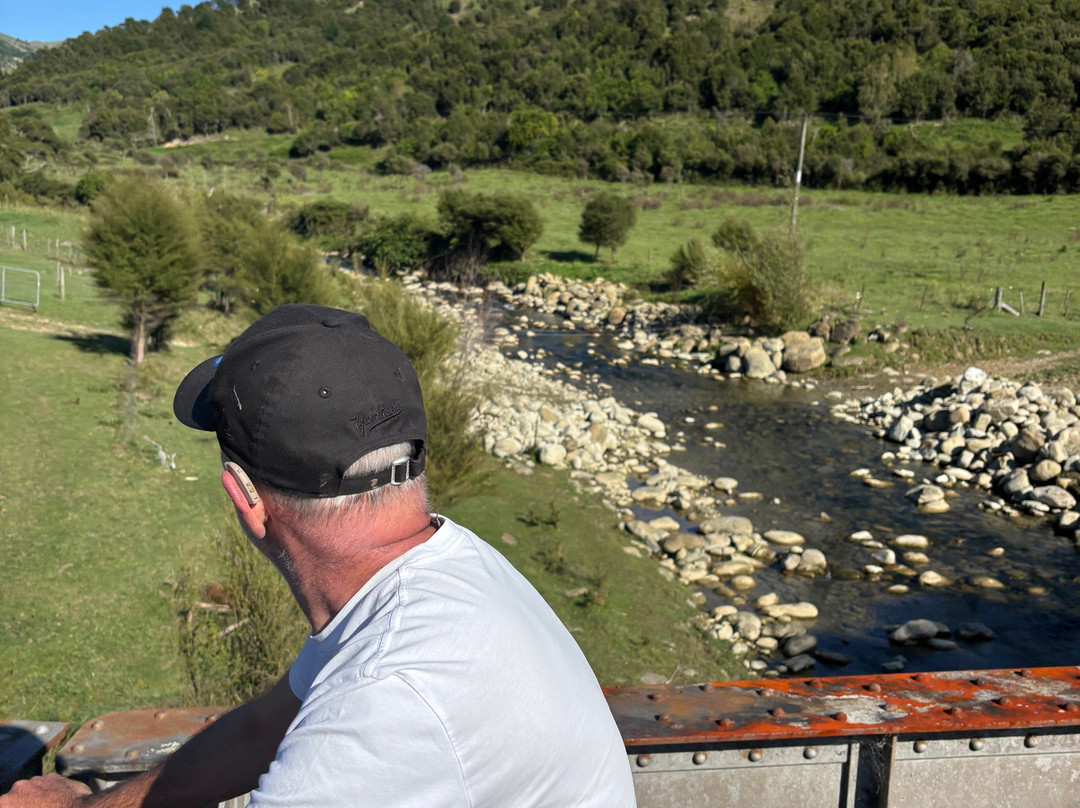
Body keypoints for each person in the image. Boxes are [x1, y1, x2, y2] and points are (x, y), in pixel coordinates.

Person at [1, 304, 636, 808]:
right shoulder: (444, 565)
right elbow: (262, 730)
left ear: (247, 499)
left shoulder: (387, 698)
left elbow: (359, 718)